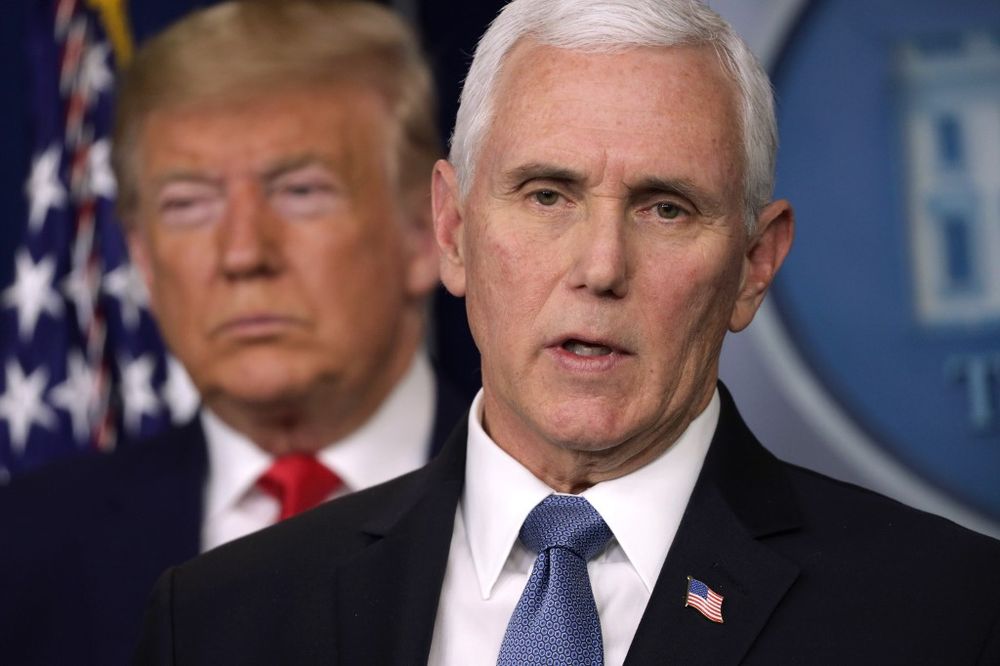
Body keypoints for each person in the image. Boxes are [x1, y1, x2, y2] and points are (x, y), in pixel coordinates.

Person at [134, 0, 1000, 664]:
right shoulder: (220, 620)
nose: (599, 266)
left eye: (666, 208)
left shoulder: (946, 614)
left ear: (754, 265)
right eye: (547, 195)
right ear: (452, 230)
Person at [0, 2, 465, 665]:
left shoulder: (562, 516)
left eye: (301, 191)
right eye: (188, 205)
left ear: (428, 231)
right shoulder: (20, 554)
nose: (242, 253)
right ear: (144, 259)